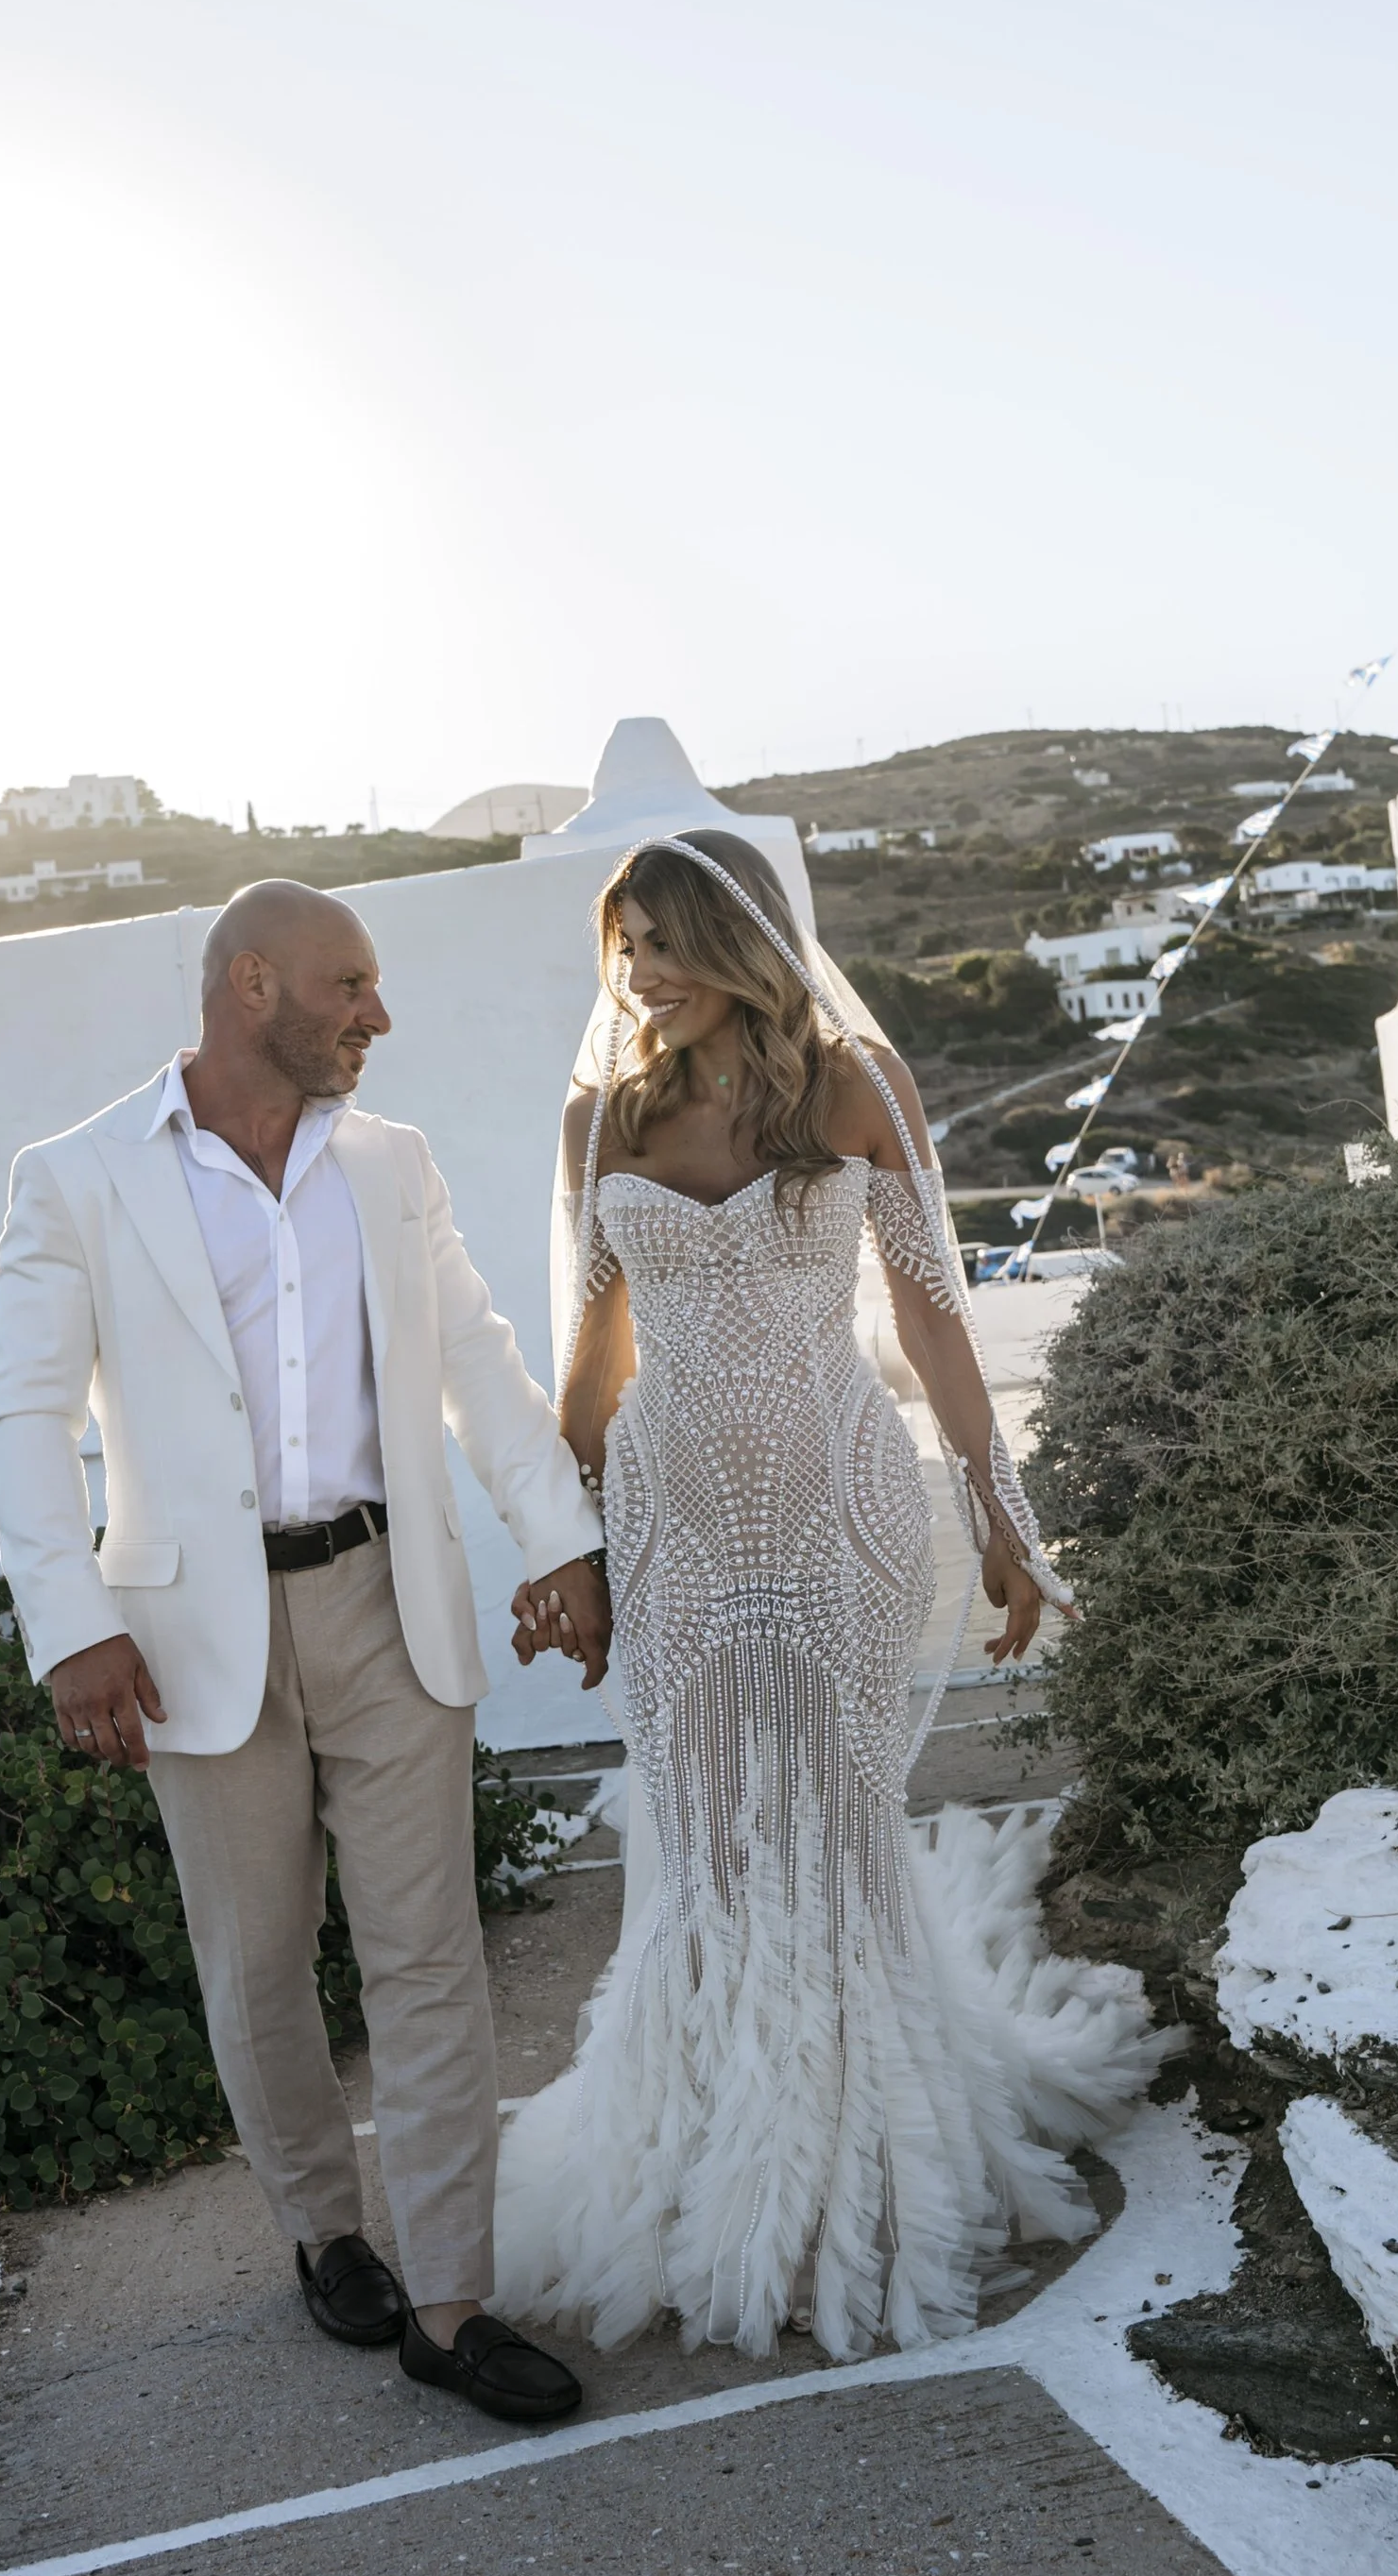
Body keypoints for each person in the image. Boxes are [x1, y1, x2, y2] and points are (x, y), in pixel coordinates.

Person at [494, 831, 1166, 2363]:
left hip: (840, 1511)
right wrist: (565, 1549)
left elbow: (938, 1331)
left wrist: (1003, 1518)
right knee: (712, 1839)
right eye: (626, 946)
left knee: (839, 1831)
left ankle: (856, 2169)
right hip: (677, 1525)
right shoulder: (601, 1121)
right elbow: (595, 1369)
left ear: (738, 944)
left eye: (665, 941)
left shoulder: (857, 1089)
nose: (640, 973)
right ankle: (707, 2155)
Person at [0, 878, 606, 2428]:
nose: (376, 1014)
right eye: (351, 985)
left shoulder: (391, 1165)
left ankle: (449, 2303)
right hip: (193, 1635)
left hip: (391, 1602)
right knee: (258, 1968)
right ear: (251, 984)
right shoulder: (76, 1179)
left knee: (428, 1960)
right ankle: (328, 2229)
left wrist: (564, 1538)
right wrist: (74, 1626)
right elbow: (22, 1419)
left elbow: (476, 1360)